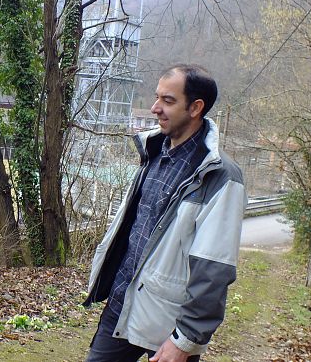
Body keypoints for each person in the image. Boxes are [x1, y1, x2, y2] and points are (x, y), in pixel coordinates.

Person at [83, 64, 247, 362]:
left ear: (195, 107)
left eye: (168, 101)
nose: (155, 108)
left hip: (168, 322)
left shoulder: (219, 175)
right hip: (122, 303)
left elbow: (213, 268)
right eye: (157, 97)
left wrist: (185, 340)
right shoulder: (154, 151)